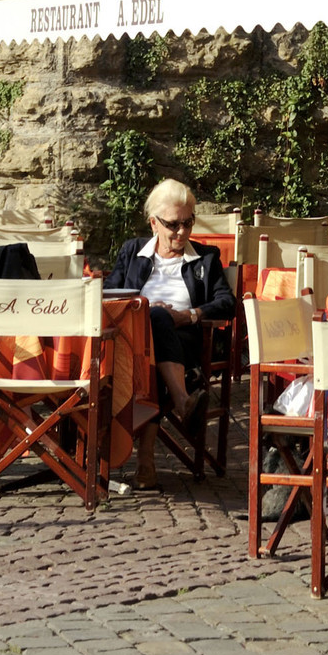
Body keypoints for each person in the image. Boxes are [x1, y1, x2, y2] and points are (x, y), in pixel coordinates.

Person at [105, 178, 236, 458]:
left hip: (185, 341)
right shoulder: (132, 252)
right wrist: (143, 309)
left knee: (156, 331)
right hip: (132, 340)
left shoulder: (206, 258)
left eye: (188, 223)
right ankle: (182, 402)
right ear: (154, 223)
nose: (181, 232)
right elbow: (107, 296)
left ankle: (146, 455)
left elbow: (227, 303)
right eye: (173, 224)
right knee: (154, 319)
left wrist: (190, 315)